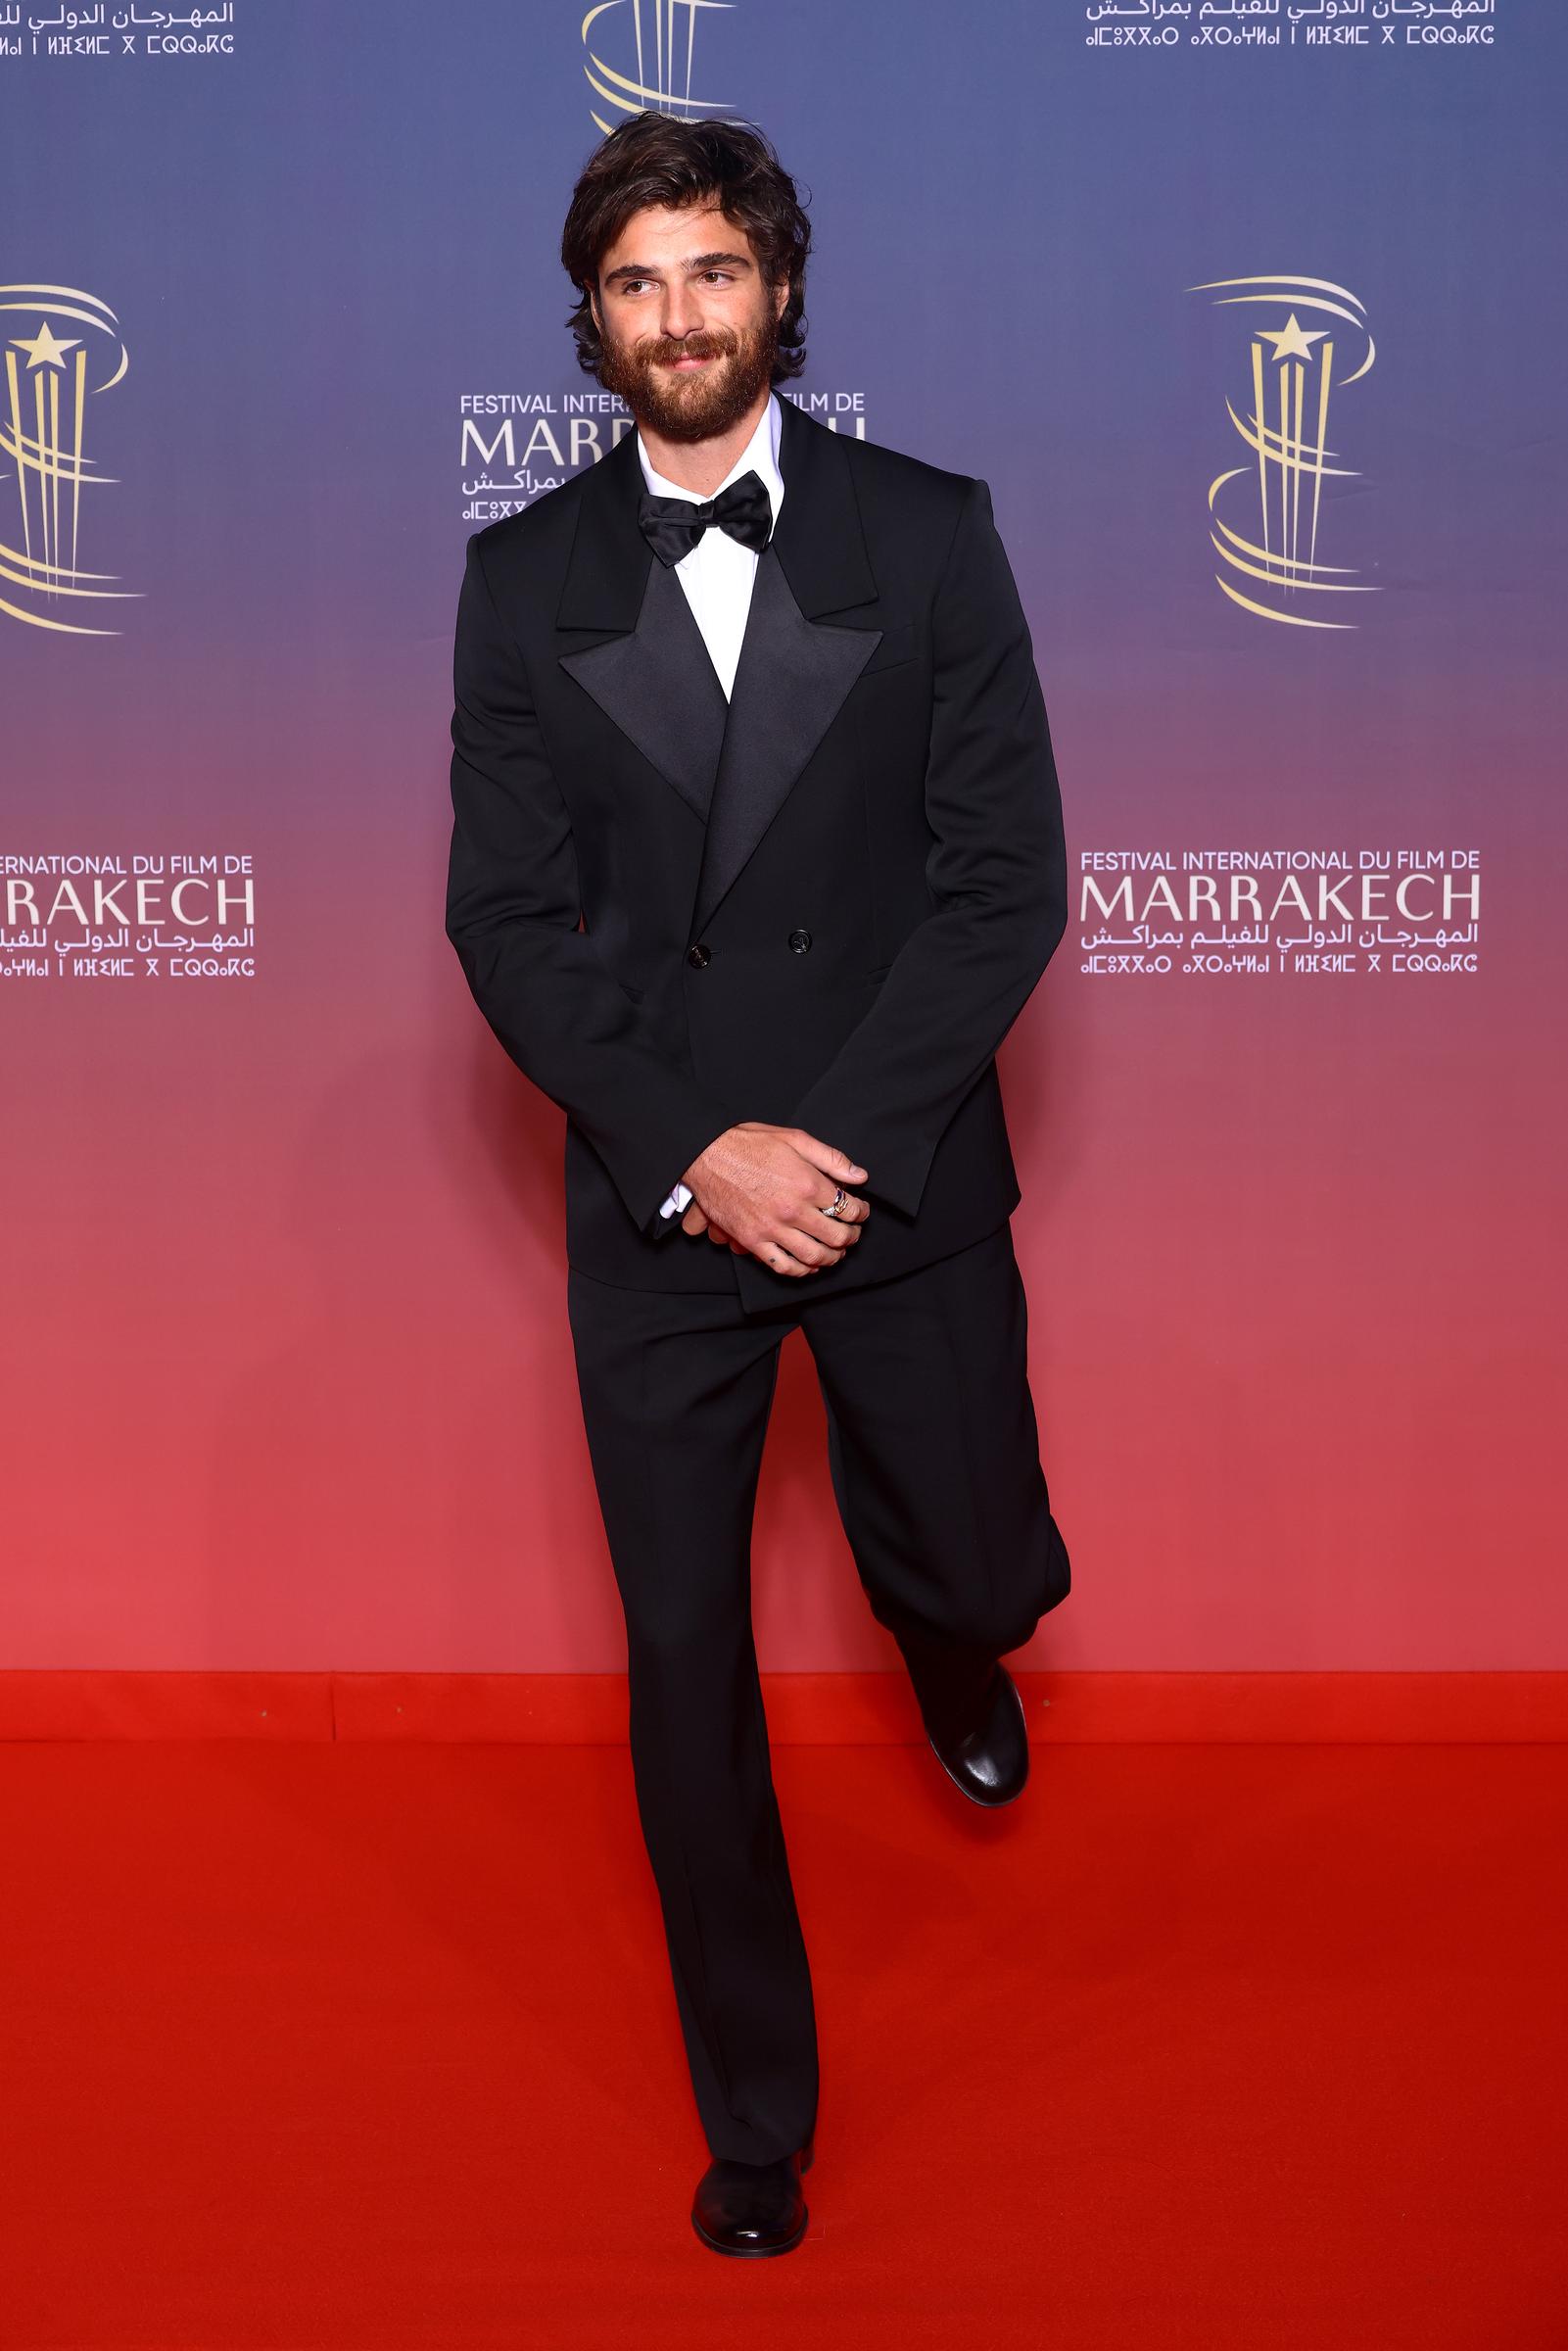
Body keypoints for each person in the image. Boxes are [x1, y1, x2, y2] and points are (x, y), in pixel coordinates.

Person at [444, 111, 1071, 2259]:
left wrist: (847, 1145)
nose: (680, 317)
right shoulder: (522, 581)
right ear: (593, 323)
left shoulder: (932, 532)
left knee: (981, 1560)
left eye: (713, 273)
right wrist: (693, 1145)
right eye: (637, 283)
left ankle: (950, 1636)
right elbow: (507, 923)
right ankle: (760, 2113)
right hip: (667, 1199)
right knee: (689, 1666)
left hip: (894, 1166)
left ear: (779, 294)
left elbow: (1006, 890)